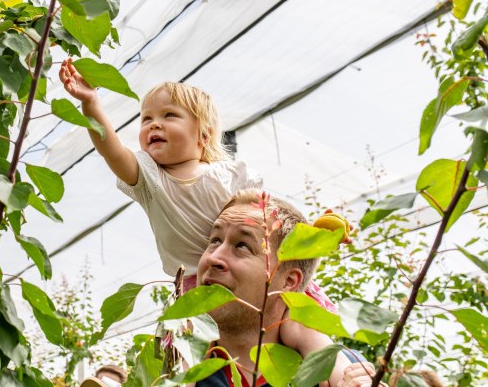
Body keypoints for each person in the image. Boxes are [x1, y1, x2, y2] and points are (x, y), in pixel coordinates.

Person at [60, 60, 337, 363]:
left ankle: (344, 376)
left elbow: (268, 218)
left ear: (203, 136)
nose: (154, 124)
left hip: (253, 278)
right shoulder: (151, 179)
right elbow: (111, 149)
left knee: (299, 331)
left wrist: (311, 236)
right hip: (199, 281)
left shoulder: (230, 173)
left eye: (169, 116)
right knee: (201, 356)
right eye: (146, 118)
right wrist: (91, 105)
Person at [194, 189, 383, 387]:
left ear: (289, 282)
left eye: (242, 246)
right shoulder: (174, 369)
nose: (213, 258)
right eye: (215, 240)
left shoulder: (342, 372)